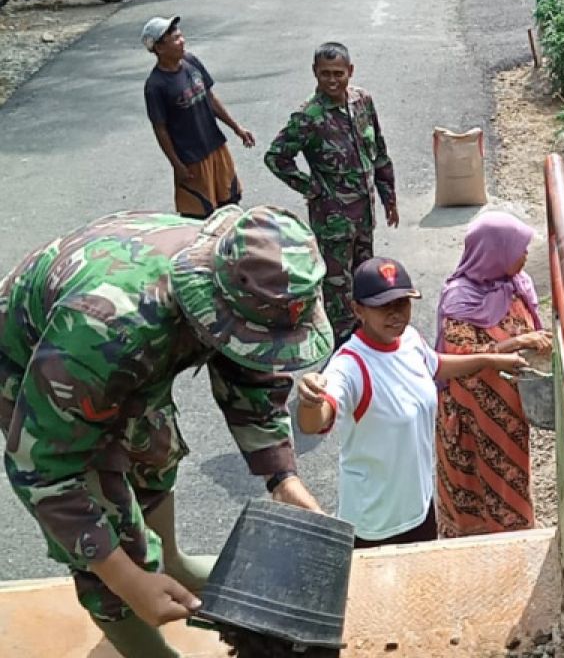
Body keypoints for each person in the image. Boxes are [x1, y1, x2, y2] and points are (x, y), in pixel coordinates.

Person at [0, 205, 332, 658]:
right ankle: (141, 637)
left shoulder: (243, 273)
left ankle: (169, 561)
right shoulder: (105, 329)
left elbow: (251, 368)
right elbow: (42, 469)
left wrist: (283, 479)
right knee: (107, 530)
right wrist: (126, 578)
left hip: (124, 351)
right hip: (40, 364)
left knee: (156, 450)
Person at [295, 257, 526, 548]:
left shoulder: (409, 340)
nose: (395, 314)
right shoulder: (350, 366)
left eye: (402, 303)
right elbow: (314, 421)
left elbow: (435, 364)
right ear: (358, 310)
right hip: (376, 522)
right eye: (383, 306)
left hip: (419, 506)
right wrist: (310, 400)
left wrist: (491, 358)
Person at [265, 42, 399, 346]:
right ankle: (342, 349)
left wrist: (389, 197)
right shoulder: (307, 117)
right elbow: (276, 157)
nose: (332, 80)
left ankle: (367, 341)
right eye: (325, 74)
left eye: (338, 73)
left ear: (350, 71)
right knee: (338, 290)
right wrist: (311, 189)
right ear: (315, 73)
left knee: (366, 278)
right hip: (332, 221)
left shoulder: (362, 102)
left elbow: (378, 151)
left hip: (364, 214)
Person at [435, 212, 552, 538]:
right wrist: (517, 342)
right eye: (519, 249)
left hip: (509, 413)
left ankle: (514, 538)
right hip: (474, 417)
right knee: (475, 486)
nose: (525, 255)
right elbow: (458, 358)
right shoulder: (461, 298)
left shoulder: (516, 285)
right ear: (495, 252)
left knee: (509, 480)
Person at [142, 16, 256, 220]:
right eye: (175, 39)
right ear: (159, 48)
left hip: (215, 145)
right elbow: (160, 129)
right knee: (199, 214)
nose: (182, 41)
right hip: (191, 158)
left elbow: (210, 98)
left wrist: (237, 128)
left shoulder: (190, 61)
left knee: (230, 203)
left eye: (181, 36)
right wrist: (176, 164)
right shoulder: (155, 86)